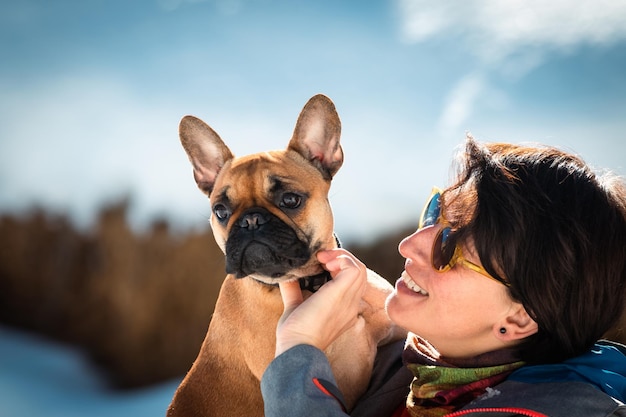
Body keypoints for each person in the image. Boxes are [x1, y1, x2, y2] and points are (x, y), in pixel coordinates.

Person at [260, 135, 626, 417]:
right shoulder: (424, 371)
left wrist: (297, 353)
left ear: (518, 317)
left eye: (449, 246)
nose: (407, 245)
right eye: (436, 214)